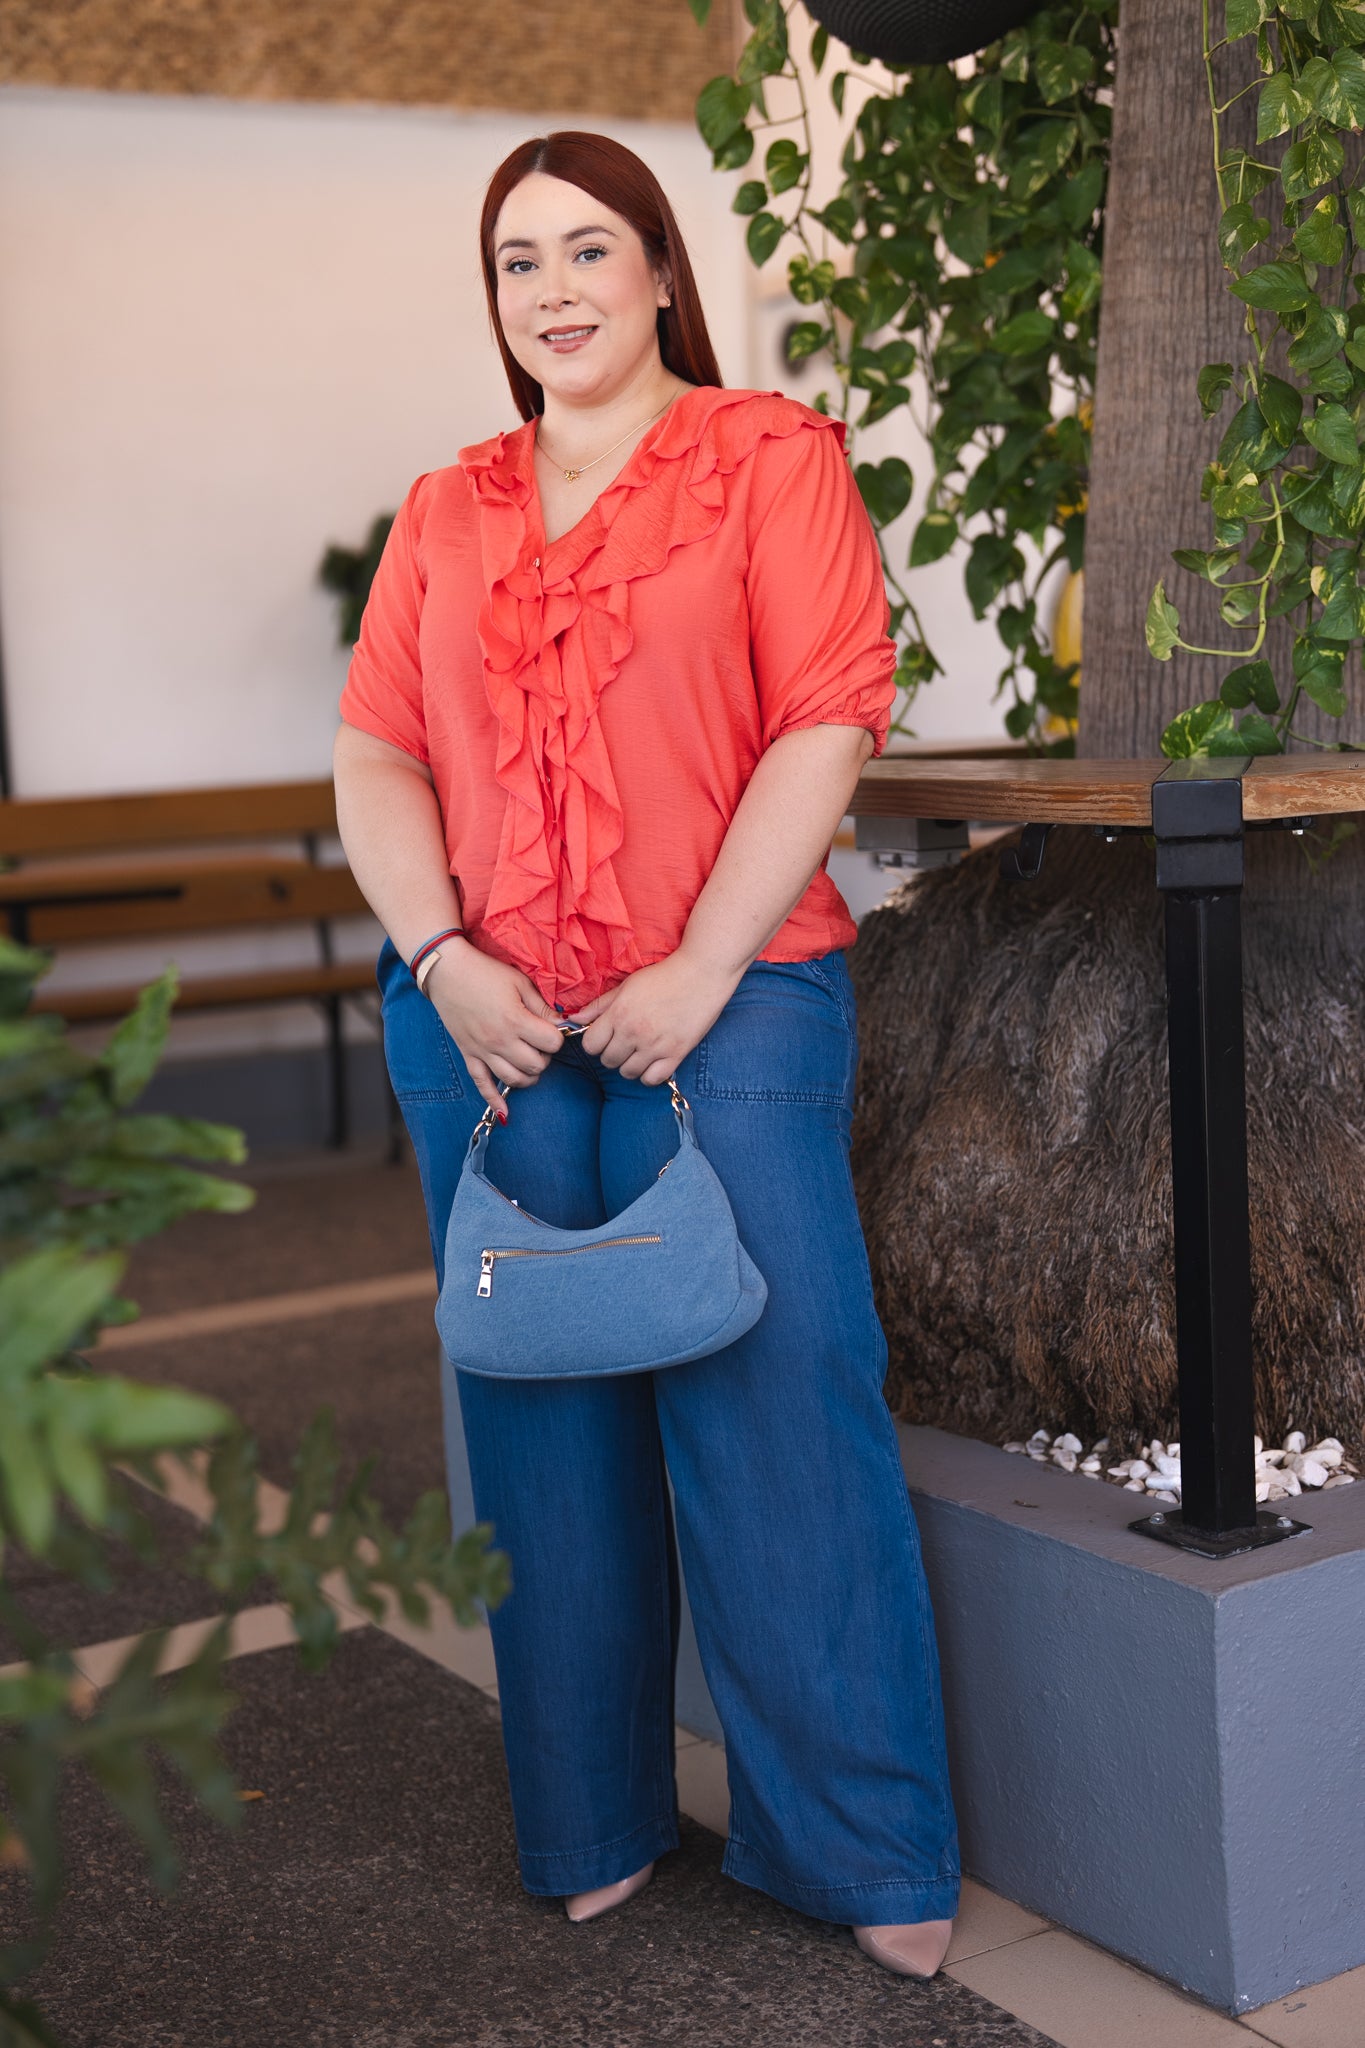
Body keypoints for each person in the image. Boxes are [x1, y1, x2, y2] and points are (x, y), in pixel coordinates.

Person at [332, 129, 960, 1979]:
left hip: (727, 997)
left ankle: (862, 1852)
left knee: (781, 1420)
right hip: (489, 1024)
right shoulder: (444, 511)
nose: (555, 291)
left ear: (665, 271)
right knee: (539, 1432)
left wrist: (696, 965)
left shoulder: (765, 462)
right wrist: (438, 955)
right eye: (518, 262)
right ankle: (588, 1821)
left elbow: (825, 720)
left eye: (589, 249)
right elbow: (377, 756)